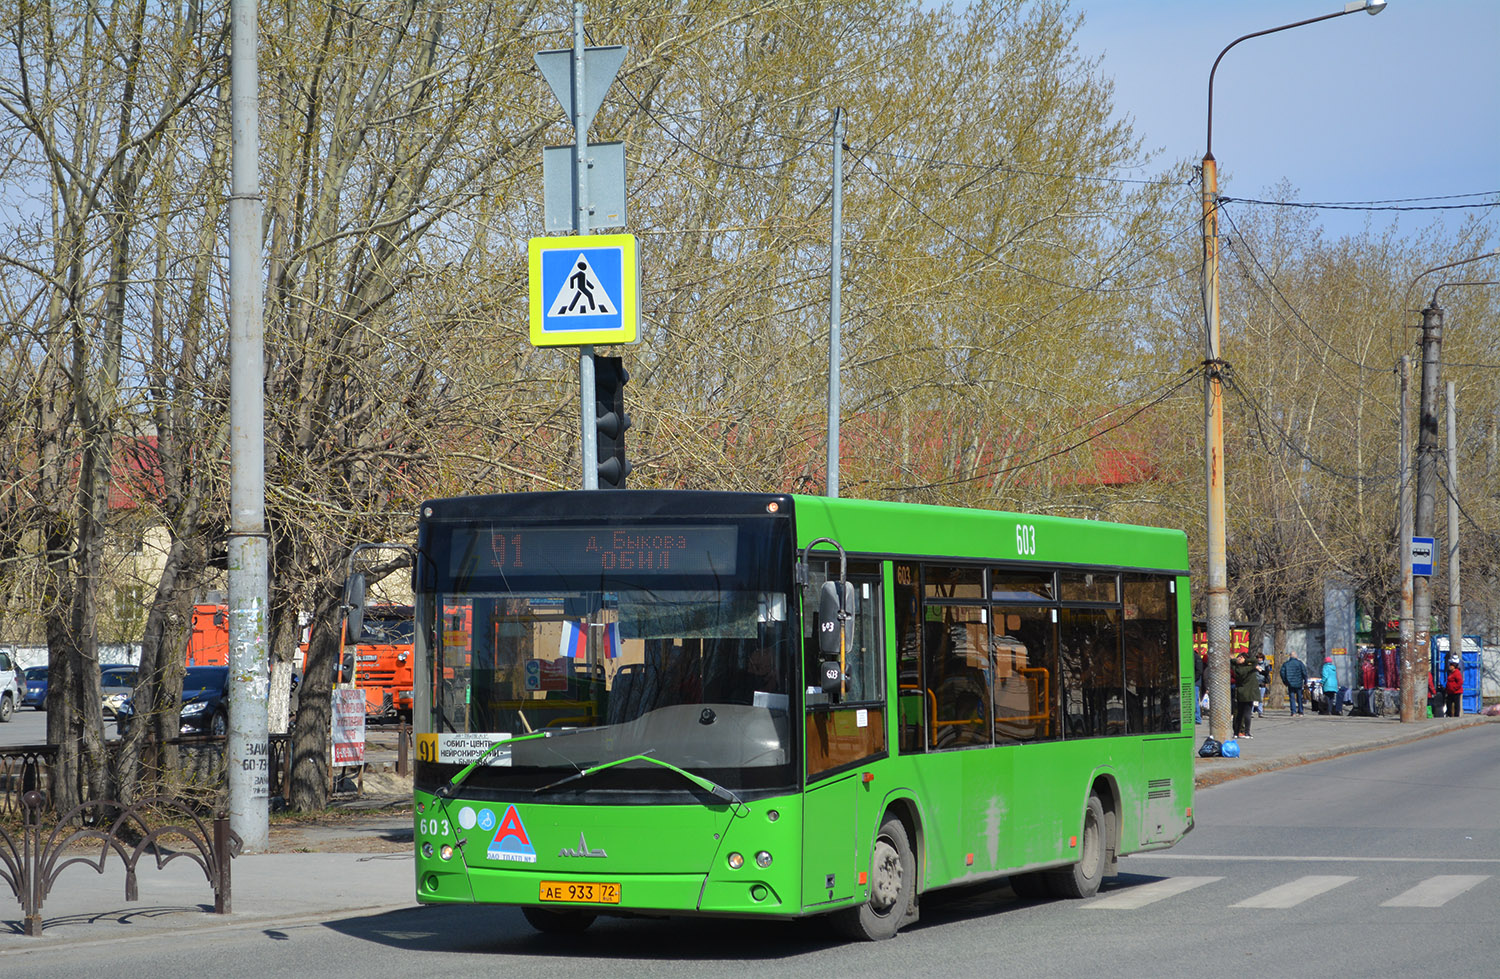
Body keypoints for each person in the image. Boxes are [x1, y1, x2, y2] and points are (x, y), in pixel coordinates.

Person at [1231, 652, 1257, 739]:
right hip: (1249, 693)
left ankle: (1236, 732)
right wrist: (1246, 660)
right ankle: (1247, 732)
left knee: (1239, 713)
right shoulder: (1250, 668)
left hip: (1240, 692)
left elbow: (1231, 662)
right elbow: (1255, 661)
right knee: (1247, 714)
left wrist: (1237, 660)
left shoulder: (1236, 668)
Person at [1279, 651, 1308, 717]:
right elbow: (1304, 672)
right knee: (1299, 697)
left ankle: (1293, 712)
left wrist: (1285, 682)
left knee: (1292, 698)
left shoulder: (1286, 664)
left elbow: (1282, 673)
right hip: (1299, 683)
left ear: (1290, 656)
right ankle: (1300, 711)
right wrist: (1305, 681)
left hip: (1290, 683)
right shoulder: (1300, 663)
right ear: (1296, 656)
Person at [1193, 648, 1205, 724]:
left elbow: (1199, 671)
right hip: (1195, 681)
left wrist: (1193, 679)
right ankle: (1196, 718)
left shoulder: (1196, 657)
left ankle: (1197, 718)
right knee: (1195, 700)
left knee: (1195, 700)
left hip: (1195, 682)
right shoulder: (1196, 657)